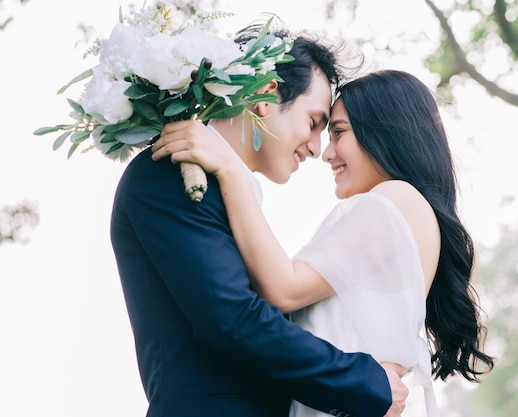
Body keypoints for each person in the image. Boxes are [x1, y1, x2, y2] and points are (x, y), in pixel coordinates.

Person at [152, 69, 496, 417]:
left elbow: (283, 288)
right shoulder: (408, 211)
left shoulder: (393, 200)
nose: (326, 153)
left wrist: (228, 167)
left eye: (338, 133)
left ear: (385, 131)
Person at [110, 20, 408, 417]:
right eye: (315, 123)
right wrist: (365, 381)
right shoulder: (170, 172)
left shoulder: (228, 190)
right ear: (267, 96)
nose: (318, 149)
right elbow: (235, 321)